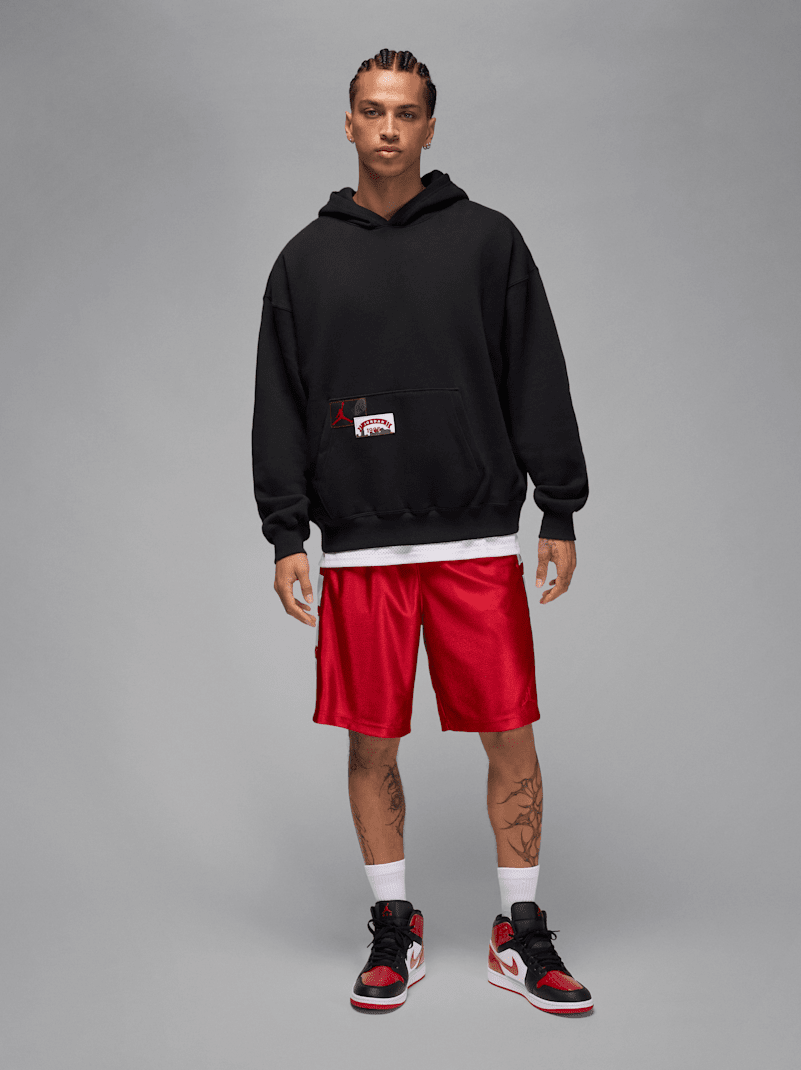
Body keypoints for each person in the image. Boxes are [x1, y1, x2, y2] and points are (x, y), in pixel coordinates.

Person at [251, 47, 593, 1016]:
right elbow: (278, 402)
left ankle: (519, 930)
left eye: (406, 112)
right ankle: (393, 923)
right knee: (371, 744)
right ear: (348, 123)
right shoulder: (303, 261)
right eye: (373, 110)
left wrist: (558, 504)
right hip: (360, 545)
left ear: (431, 126)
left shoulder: (488, 242)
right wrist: (285, 533)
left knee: (510, 737)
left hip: (475, 540)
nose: (389, 128)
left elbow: (535, 370)